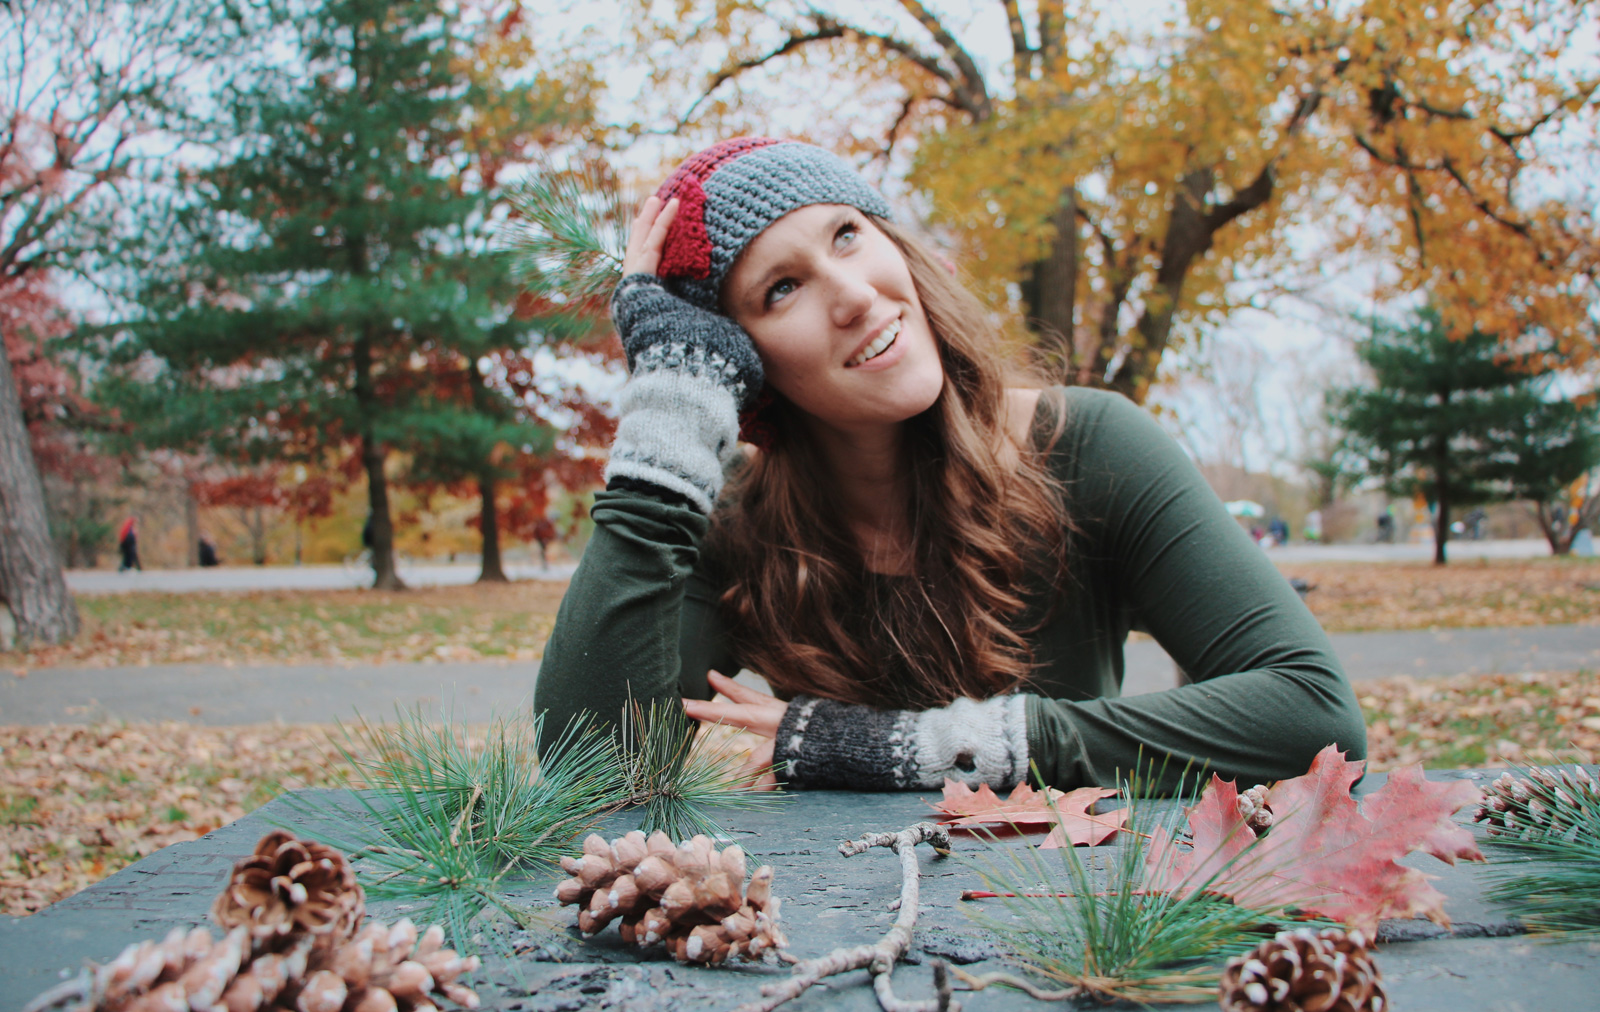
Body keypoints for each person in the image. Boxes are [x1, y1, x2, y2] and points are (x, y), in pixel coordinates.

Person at [533, 137, 1364, 793]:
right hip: (827, 931)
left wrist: (925, 748)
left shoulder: (1092, 448)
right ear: (742, 359)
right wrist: (666, 441)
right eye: (782, 289)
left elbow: (1311, 712)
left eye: (848, 236)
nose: (855, 294)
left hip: (1069, 920)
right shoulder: (734, 523)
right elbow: (593, 776)